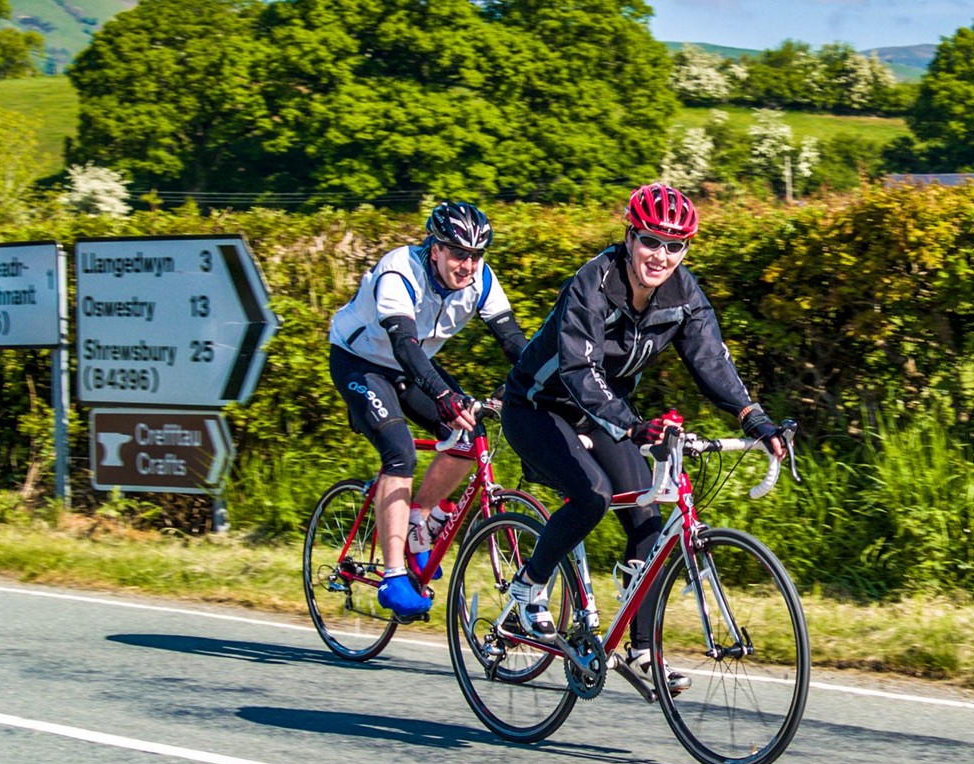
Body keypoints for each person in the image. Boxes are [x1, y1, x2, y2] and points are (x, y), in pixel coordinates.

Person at [500, 183, 786, 692]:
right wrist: (633, 426)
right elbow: (579, 370)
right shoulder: (593, 281)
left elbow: (710, 359)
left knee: (649, 514)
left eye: (675, 246)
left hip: (602, 413)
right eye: (651, 241)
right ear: (630, 237)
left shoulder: (683, 294)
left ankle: (640, 651)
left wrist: (752, 416)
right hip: (538, 406)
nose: (662, 255)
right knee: (592, 496)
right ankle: (528, 587)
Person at [329, 201, 528, 618]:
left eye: (476, 255)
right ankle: (394, 576)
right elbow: (403, 343)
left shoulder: (482, 281)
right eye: (458, 253)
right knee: (399, 451)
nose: (468, 265)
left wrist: (542, 383)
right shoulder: (400, 271)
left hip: (410, 365)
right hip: (361, 360)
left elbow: (512, 341)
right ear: (434, 249)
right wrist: (442, 395)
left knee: (468, 434)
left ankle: (416, 519)